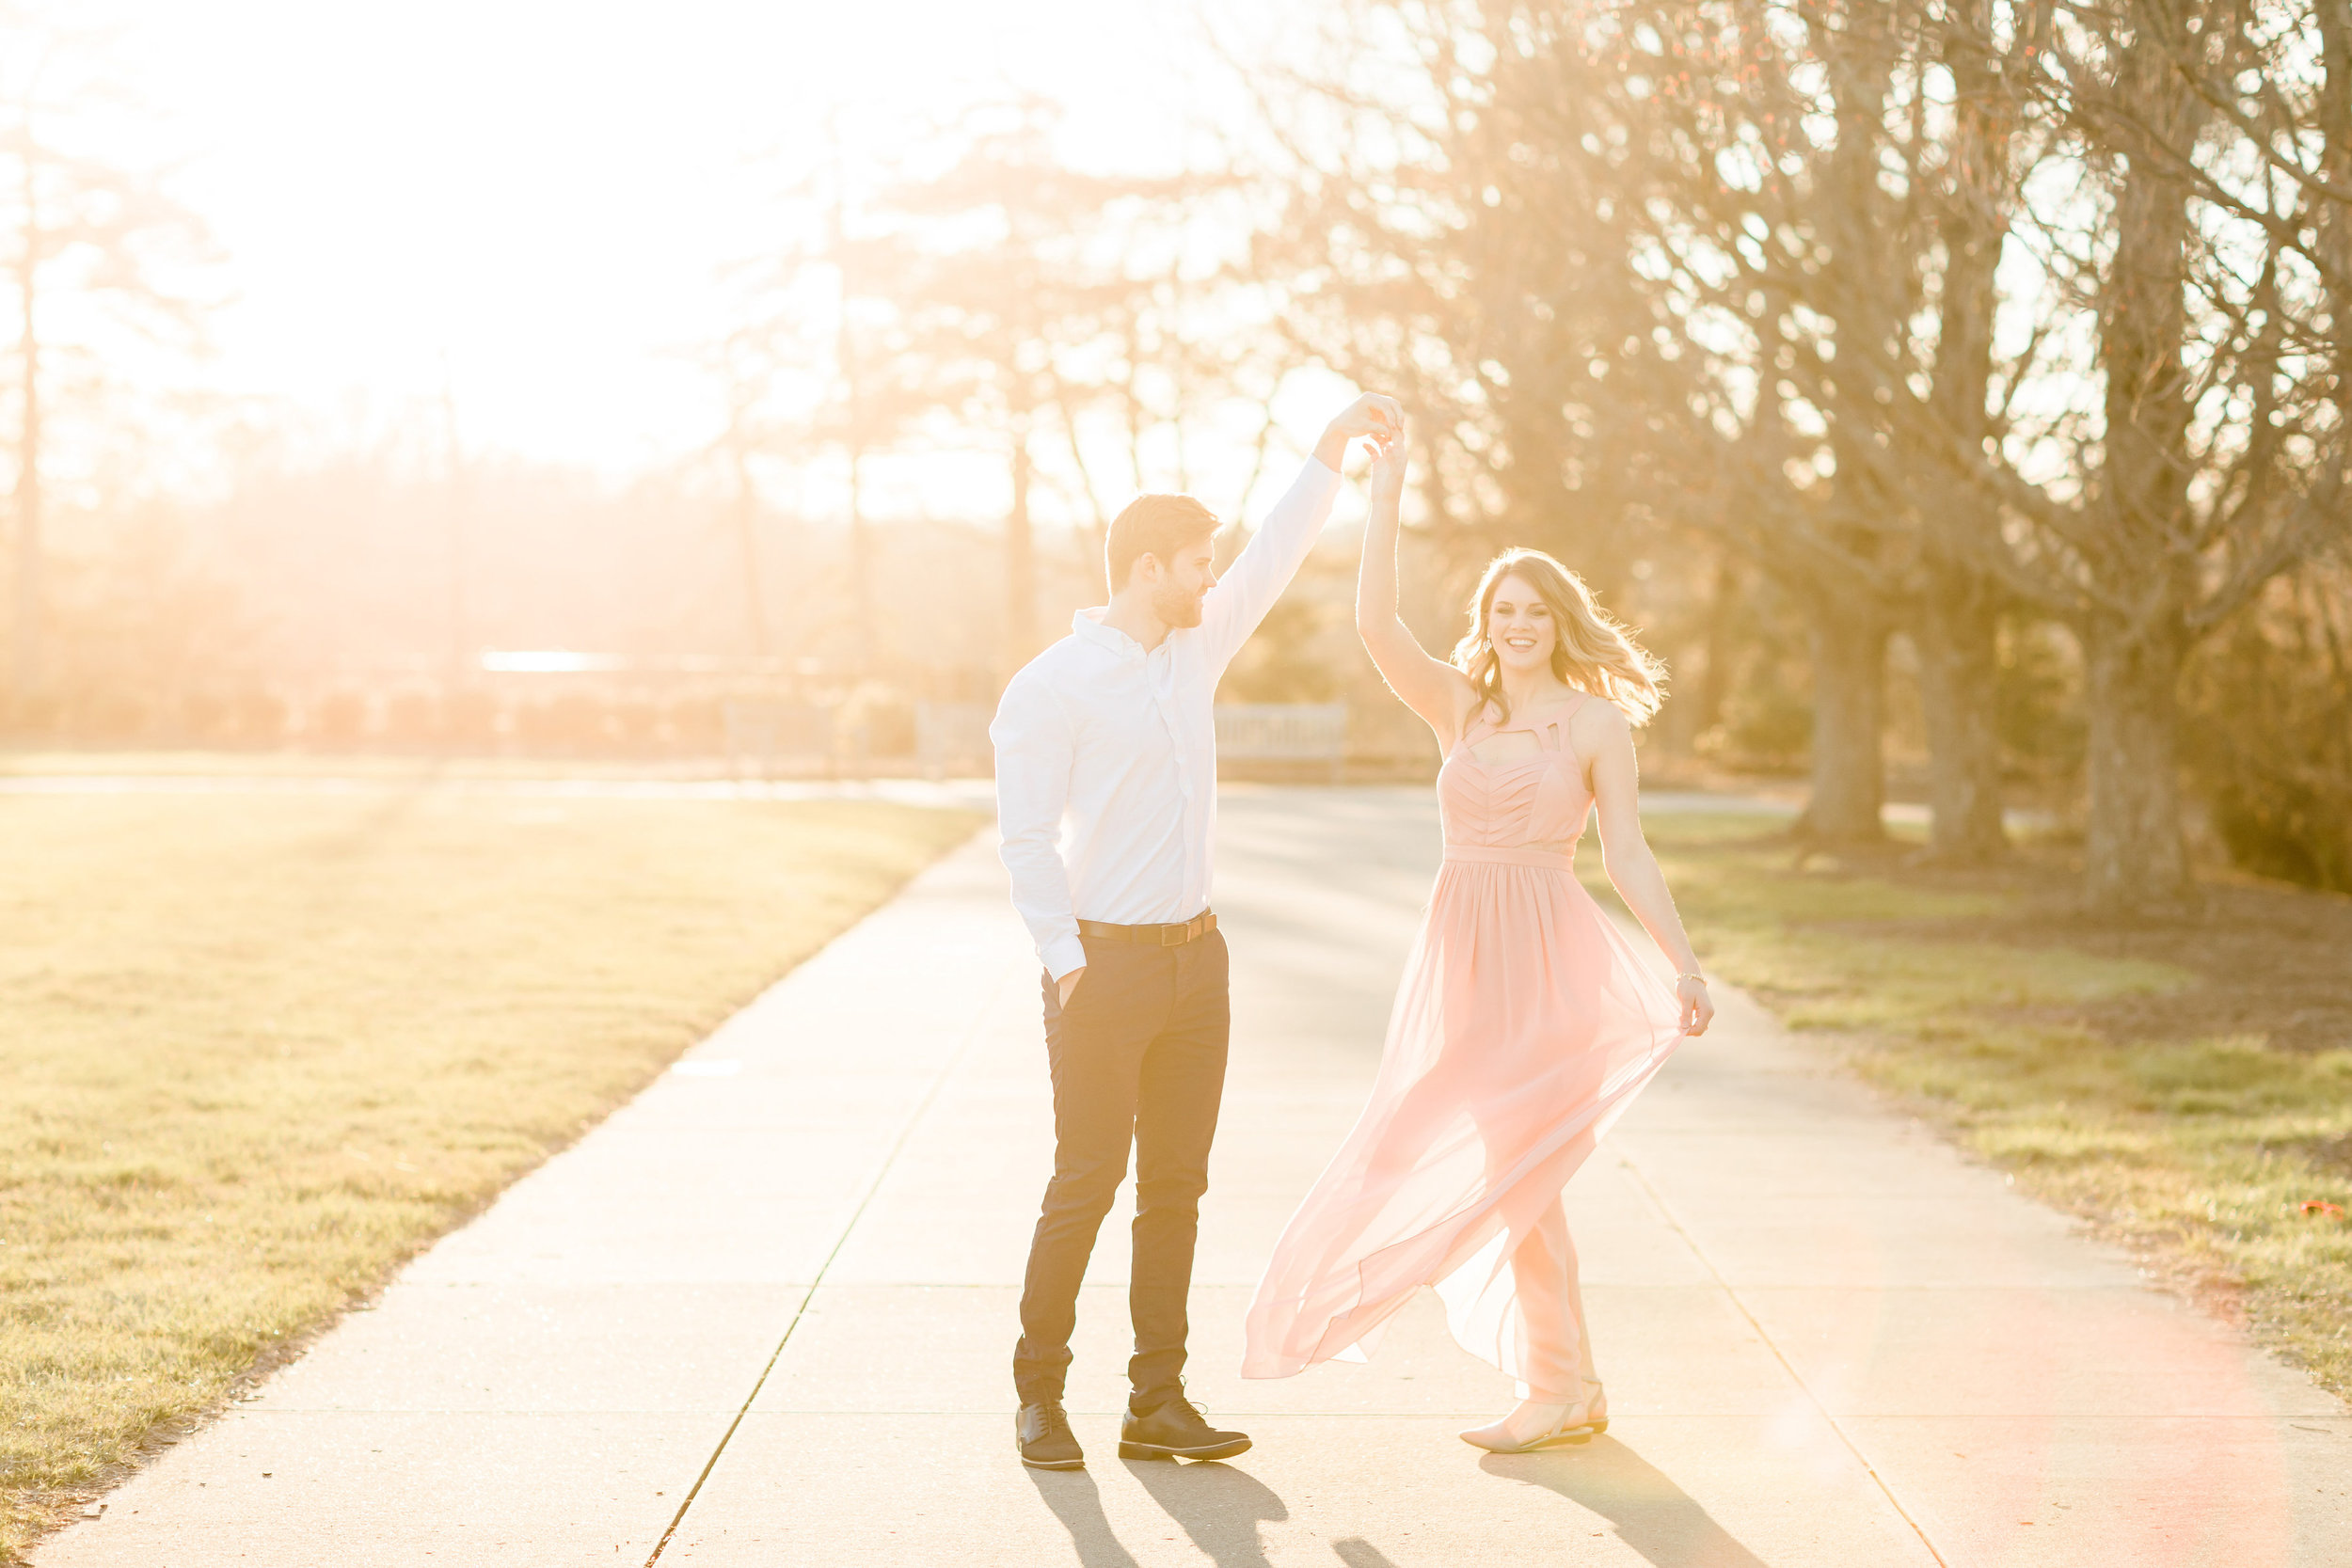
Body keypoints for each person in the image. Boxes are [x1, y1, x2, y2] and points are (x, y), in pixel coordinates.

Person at [1239, 428, 1714, 1453]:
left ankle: (1557, 1386)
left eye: (1535, 609)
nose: (1519, 624)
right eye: (1503, 610)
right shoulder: (1458, 705)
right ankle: (1567, 1381)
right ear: (1486, 623)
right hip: (1461, 957)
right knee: (1484, 1167)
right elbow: (1373, 624)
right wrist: (1388, 486)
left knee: (1520, 1174)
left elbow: (1626, 851)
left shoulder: (1594, 725)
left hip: (1549, 962)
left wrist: (1682, 960)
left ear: (1560, 620)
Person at [991, 391, 1404, 1471]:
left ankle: (1156, 1400)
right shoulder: (1051, 686)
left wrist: (1328, 451)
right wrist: (1069, 966)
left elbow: (1274, 553)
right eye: (1196, 566)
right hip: (1102, 967)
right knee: (1085, 1180)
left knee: (1176, 1187)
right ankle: (1039, 1396)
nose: (1212, 582)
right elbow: (1026, 837)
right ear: (1145, 568)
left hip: (1196, 965)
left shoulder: (1193, 648)